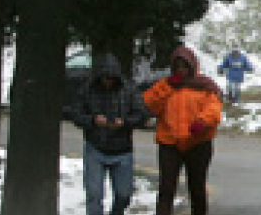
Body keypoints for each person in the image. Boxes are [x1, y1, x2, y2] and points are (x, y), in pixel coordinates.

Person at [142, 46, 223, 215]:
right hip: (169, 144)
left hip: (198, 143)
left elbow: (214, 110)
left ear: (192, 66)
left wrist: (202, 122)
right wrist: (168, 87)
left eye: (185, 66)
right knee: (166, 188)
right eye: (178, 66)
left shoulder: (204, 86)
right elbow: (149, 104)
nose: (181, 70)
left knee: (197, 188)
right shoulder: (165, 86)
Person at [68, 53, 149, 215]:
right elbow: (76, 113)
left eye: (111, 78)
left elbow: (142, 114)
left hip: (122, 150)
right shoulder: (88, 89)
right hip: (95, 147)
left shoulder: (129, 89)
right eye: (105, 78)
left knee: (124, 194)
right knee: (94, 195)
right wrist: (92, 120)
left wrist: (124, 122)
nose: (108, 81)